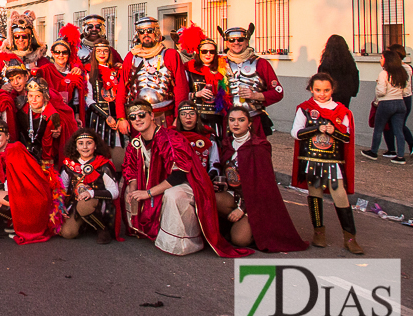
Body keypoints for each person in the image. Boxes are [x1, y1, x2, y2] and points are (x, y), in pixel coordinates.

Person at [121, 100, 251, 257]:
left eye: (141, 115)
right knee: (129, 189)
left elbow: (179, 174)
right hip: (159, 182)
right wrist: (134, 190)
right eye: (133, 117)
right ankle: (144, 228)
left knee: (174, 195)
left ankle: (185, 242)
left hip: (189, 183)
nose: (137, 120)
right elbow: (131, 169)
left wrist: (148, 193)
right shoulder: (135, 143)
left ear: (152, 115)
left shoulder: (170, 138)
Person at [216, 107, 308, 252]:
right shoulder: (228, 145)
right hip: (235, 196)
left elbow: (264, 186)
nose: (236, 124)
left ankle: (253, 225)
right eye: (232, 120)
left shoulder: (259, 147)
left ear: (249, 123)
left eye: (241, 120)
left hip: (256, 202)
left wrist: (243, 209)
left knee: (239, 240)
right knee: (210, 198)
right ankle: (233, 224)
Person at [291, 73, 361, 253]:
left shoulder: (342, 111)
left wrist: (334, 131)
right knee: (315, 194)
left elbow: (347, 138)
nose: (322, 94)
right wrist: (316, 128)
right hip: (312, 161)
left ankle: (350, 237)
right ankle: (318, 233)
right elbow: (295, 132)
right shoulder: (305, 109)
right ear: (311, 89)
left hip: (333, 161)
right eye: (318, 90)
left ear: (332, 90)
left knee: (340, 195)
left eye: (326, 90)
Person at [0, 120, 66, 244]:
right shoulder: (0, 154)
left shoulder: (15, 149)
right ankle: (18, 222)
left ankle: (24, 223)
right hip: (24, 195)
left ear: (7, 136)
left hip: (32, 197)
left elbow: (27, 183)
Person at [115, 16, 189, 133]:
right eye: (141, 32)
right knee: (139, 150)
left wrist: (178, 116)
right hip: (138, 116)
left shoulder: (170, 55)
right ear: (138, 35)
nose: (146, 34)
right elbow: (122, 88)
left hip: (165, 115)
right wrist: (121, 117)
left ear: (157, 32)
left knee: (166, 149)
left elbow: (181, 88)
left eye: (150, 31)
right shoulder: (131, 56)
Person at [219, 24, 284, 136]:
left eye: (240, 39)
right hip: (227, 120)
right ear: (227, 42)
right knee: (228, 152)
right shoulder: (220, 63)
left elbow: (278, 92)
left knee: (256, 151)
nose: (236, 42)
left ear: (247, 41)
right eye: (231, 40)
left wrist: (255, 96)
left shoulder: (261, 63)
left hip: (253, 119)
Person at [58, 129, 120, 244]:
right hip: (76, 204)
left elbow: (115, 192)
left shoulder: (104, 165)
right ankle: (86, 225)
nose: (85, 147)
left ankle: (103, 229)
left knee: (84, 205)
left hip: (99, 204)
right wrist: (61, 206)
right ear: (76, 147)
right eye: (81, 144)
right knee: (67, 233)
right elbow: (63, 188)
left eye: (89, 143)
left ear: (95, 146)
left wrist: (91, 193)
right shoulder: (68, 165)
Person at [178, 26, 231, 142]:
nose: (208, 54)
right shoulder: (189, 68)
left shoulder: (222, 69)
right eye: (204, 51)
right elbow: (181, 93)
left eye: (211, 51)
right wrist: (196, 94)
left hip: (217, 118)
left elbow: (228, 93)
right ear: (198, 52)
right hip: (196, 118)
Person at [17, 77, 76, 169]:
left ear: (45, 97)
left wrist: (46, 167)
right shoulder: (20, 108)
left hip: (41, 152)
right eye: (31, 96)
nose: (34, 100)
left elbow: (47, 145)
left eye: (38, 96)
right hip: (23, 148)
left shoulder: (50, 115)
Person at [364, 50, 410, 162]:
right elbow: (405, 91)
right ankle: (400, 156)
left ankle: (373, 152)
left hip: (386, 103)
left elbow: (381, 92)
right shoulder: (402, 73)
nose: (380, 60)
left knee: (378, 128)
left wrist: (377, 99)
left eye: (381, 57)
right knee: (398, 130)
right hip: (400, 102)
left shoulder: (384, 74)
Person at [85, 40, 124, 166]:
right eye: (99, 51)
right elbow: (89, 99)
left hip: (117, 117)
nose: (102, 53)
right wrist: (106, 116)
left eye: (105, 51)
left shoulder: (117, 71)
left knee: (119, 156)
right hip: (98, 119)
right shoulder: (88, 71)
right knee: (98, 154)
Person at [39, 25, 86, 118]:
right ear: (52, 53)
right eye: (57, 52)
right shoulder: (45, 70)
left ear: (69, 54)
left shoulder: (74, 73)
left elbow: (77, 100)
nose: (60, 55)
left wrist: (77, 117)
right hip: (51, 115)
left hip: (69, 115)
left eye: (64, 52)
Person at [382, 44, 413, 159]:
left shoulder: (403, 68)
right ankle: (392, 149)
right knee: (393, 125)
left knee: (398, 125)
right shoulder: (402, 68)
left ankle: (401, 148)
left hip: (401, 98)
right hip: (402, 98)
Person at [0, 11, 45, 77]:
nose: (20, 39)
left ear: (30, 38)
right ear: (12, 38)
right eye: (17, 37)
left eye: (24, 36)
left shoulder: (41, 60)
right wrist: (3, 86)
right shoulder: (2, 59)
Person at [317, 34, 360, 108]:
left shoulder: (326, 63)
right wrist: (352, 91)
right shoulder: (349, 62)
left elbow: (321, 80)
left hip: (331, 94)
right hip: (346, 94)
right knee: (343, 114)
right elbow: (355, 76)